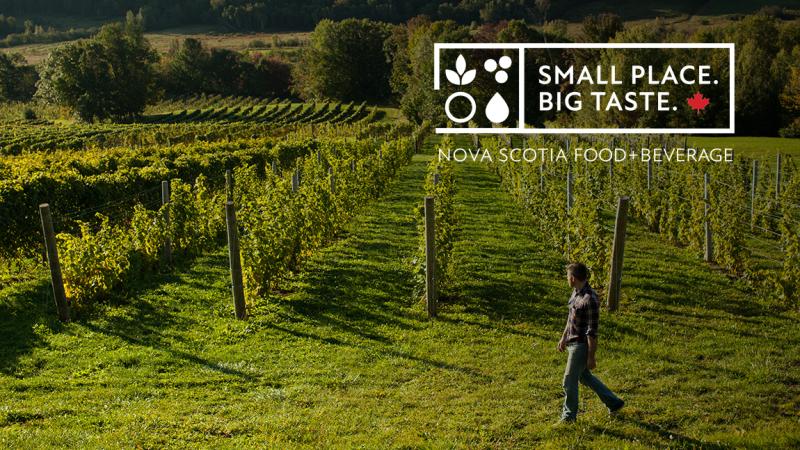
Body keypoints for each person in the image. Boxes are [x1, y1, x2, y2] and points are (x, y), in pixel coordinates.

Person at [556, 262, 624, 423]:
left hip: (581, 345)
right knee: (584, 377)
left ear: (572, 278)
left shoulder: (590, 299)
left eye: (567, 276)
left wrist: (591, 356)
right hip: (572, 342)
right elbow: (570, 318)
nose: (567, 279)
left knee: (569, 380)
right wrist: (564, 337)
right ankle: (614, 403)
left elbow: (592, 331)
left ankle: (568, 417)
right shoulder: (575, 293)